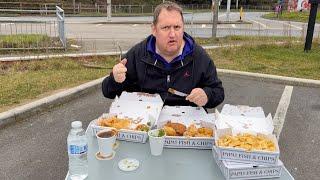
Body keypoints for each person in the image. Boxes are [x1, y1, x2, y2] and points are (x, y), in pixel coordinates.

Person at [102, 1, 224, 109]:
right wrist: (115, 79)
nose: (172, 34)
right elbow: (107, 91)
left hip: (188, 124)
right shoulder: (138, 54)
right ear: (154, 29)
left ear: (183, 27)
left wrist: (206, 95)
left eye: (177, 27)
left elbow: (218, 92)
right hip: (146, 120)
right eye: (166, 27)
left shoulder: (198, 56)